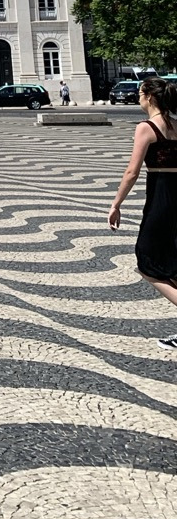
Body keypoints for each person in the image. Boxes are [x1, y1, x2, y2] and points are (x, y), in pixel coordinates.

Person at [108, 76, 177, 349]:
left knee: (147, 260)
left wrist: (116, 204)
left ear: (149, 96)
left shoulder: (147, 128)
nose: (138, 98)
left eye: (139, 93)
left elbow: (132, 172)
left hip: (161, 199)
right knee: (172, 261)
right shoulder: (176, 125)